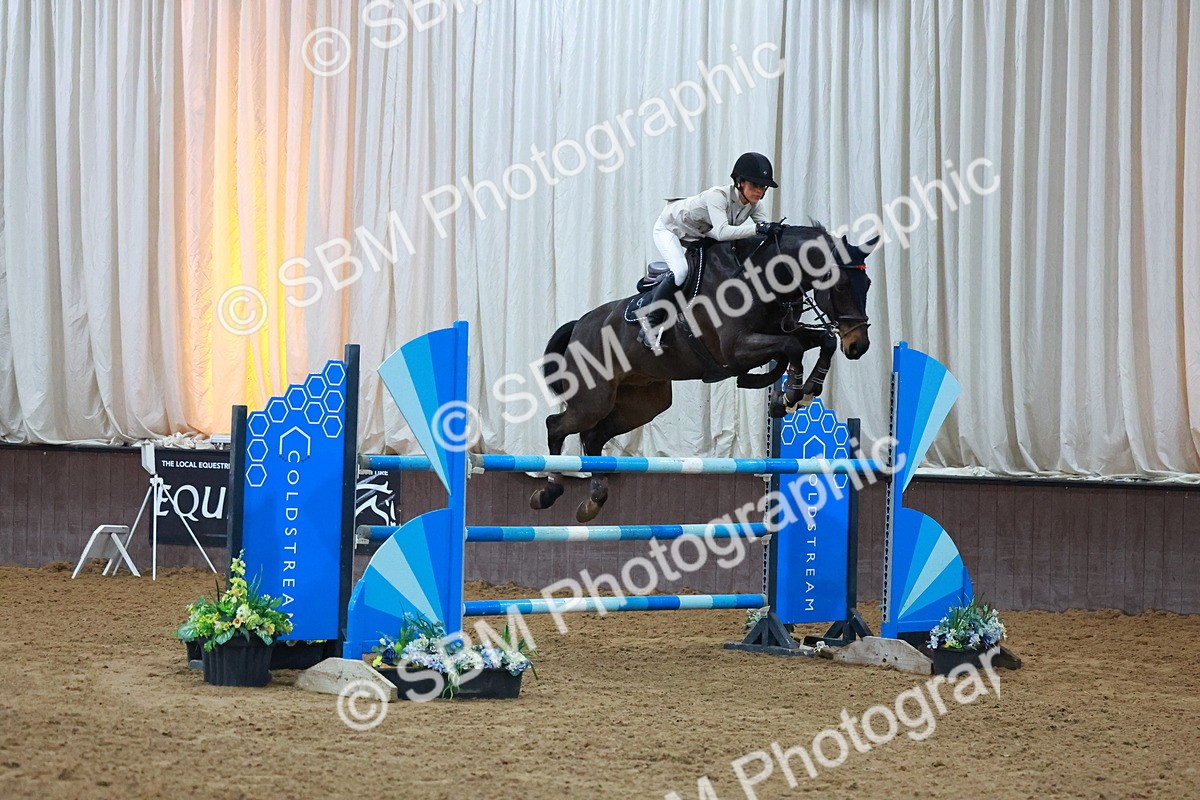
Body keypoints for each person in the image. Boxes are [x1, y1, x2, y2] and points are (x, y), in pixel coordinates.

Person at [639, 152, 784, 349]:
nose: (759, 191)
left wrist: (782, 232)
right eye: (755, 185)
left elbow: (765, 230)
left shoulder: (754, 205)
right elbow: (724, 232)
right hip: (670, 228)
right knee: (680, 271)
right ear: (739, 182)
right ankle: (650, 326)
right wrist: (760, 228)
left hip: (700, 232)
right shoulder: (718, 196)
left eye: (763, 187)